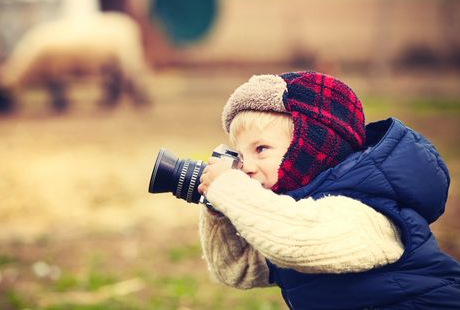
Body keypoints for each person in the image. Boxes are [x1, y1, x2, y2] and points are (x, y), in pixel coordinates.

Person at [197, 71, 460, 309]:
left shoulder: (363, 211)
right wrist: (218, 210)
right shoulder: (287, 215)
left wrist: (229, 187)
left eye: (261, 149)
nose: (246, 168)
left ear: (309, 149)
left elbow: (294, 241)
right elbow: (237, 269)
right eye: (241, 155)